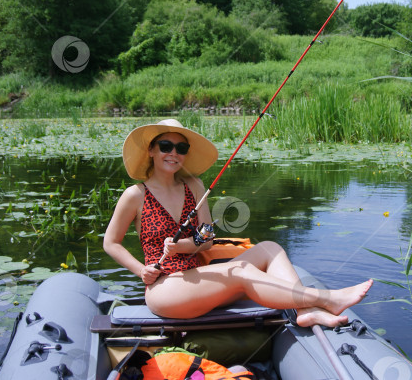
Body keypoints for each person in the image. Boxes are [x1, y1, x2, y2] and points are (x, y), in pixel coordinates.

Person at [103, 119, 372, 327]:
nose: (173, 153)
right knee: (241, 268)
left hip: (197, 276)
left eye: (181, 148)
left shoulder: (194, 187)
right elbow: (111, 243)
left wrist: (182, 246)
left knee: (269, 247)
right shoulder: (136, 195)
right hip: (165, 287)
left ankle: (305, 311)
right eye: (165, 146)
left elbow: (206, 238)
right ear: (151, 150)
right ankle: (328, 299)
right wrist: (141, 270)